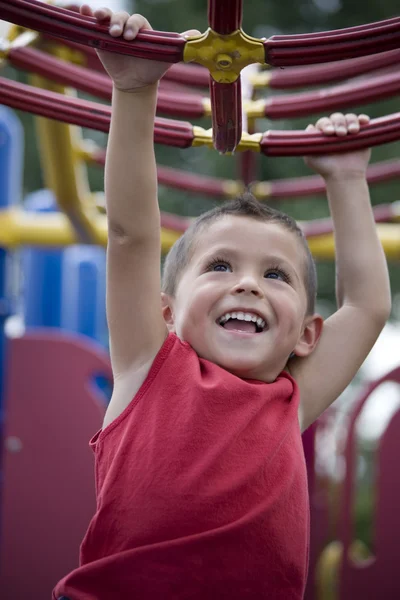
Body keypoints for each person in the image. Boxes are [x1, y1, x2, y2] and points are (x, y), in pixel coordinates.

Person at [53, 6, 391, 600]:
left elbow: (365, 307)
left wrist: (345, 178)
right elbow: (131, 234)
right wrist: (134, 91)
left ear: (307, 335)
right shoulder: (148, 366)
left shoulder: (290, 400)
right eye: (219, 266)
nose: (248, 284)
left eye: (276, 275)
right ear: (165, 312)